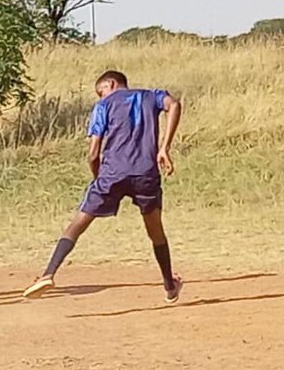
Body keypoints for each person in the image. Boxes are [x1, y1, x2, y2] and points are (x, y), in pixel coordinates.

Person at [23, 70, 183, 303]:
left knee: (77, 225)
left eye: (101, 91)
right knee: (155, 230)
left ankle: (48, 274)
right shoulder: (151, 96)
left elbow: (93, 153)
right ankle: (169, 285)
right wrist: (164, 148)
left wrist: (98, 177)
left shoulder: (103, 106)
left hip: (111, 174)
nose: (101, 96)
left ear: (111, 83)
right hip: (145, 172)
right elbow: (174, 104)